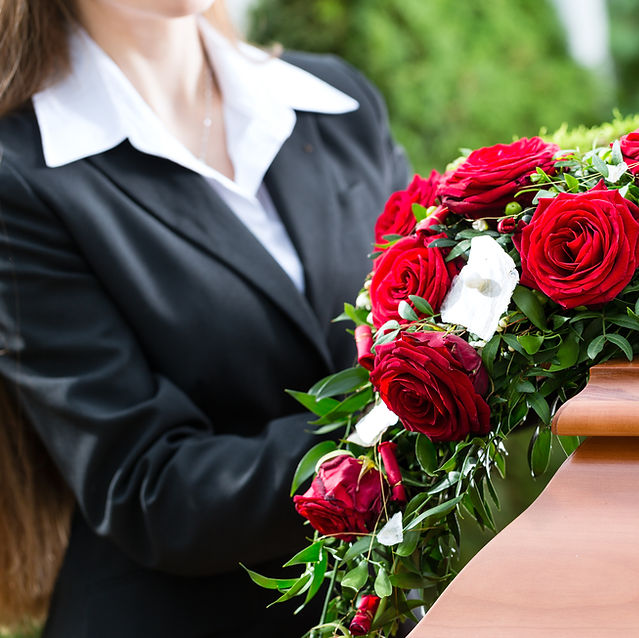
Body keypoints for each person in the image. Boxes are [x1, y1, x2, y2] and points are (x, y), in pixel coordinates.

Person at [0, 1, 409, 636]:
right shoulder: (20, 176)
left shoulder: (335, 99)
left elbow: (425, 312)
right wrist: (405, 420)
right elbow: (150, 488)